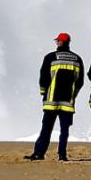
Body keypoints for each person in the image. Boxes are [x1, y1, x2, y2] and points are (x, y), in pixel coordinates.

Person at [25, 32, 84, 162]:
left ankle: (39, 153)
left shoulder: (50, 57)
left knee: (46, 128)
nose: (56, 42)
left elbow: (44, 77)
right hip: (68, 102)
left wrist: (43, 92)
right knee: (64, 130)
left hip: (51, 101)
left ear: (60, 42)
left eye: (57, 41)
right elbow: (80, 82)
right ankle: (62, 155)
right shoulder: (77, 59)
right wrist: (73, 95)